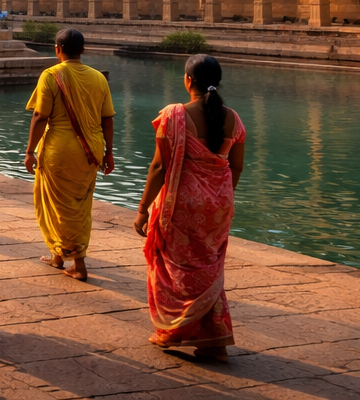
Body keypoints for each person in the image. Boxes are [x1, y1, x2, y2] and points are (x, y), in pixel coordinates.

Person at [134, 55, 246, 362]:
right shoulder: (234, 118)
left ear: (187, 80)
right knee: (209, 269)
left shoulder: (173, 115)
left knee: (177, 269)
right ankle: (215, 341)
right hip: (219, 205)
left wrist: (143, 208)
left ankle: (176, 330)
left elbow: (159, 166)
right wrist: (219, 196)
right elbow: (235, 167)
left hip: (183, 203)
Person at [24, 28, 115, 281]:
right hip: (91, 150)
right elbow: (107, 120)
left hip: (59, 150)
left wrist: (30, 151)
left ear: (57, 49)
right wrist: (109, 153)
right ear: (83, 50)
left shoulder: (51, 75)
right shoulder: (98, 78)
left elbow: (40, 116)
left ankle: (79, 262)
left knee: (56, 206)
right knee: (79, 206)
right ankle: (58, 256)